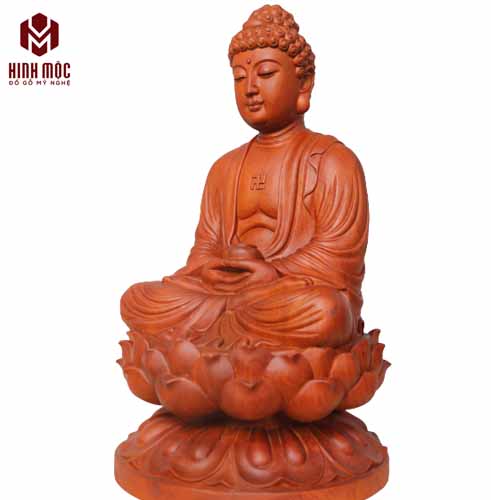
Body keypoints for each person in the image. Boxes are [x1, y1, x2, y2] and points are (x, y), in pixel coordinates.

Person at [121, 5, 369, 350]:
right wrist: (209, 269)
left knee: (328, 312)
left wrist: (273, 271)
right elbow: (205, 247)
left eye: (265, 74)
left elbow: (338, 255)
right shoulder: (225, 168)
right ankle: (235, 338)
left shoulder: (332, 161)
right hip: (225, 294)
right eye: (239, 78)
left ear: (304, 84)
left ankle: (211, 344)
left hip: (287, 296)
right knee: (137, 299)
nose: (250, 88)